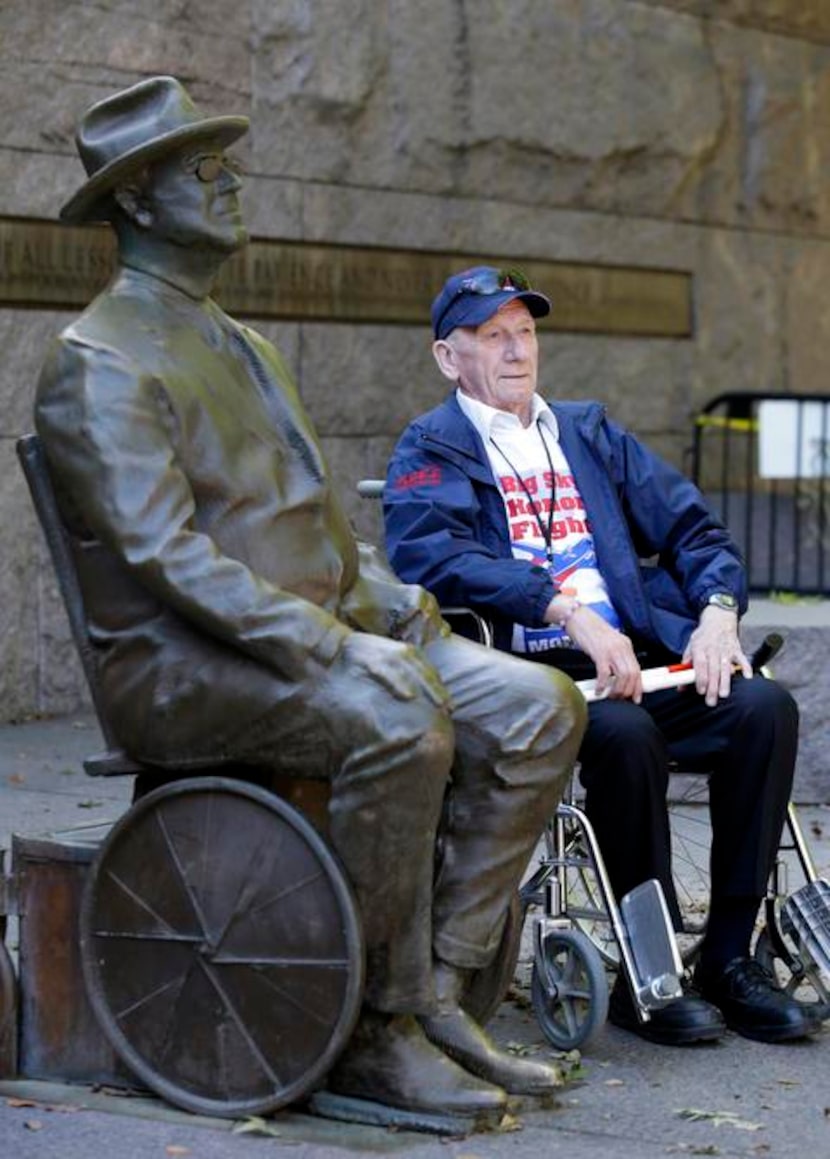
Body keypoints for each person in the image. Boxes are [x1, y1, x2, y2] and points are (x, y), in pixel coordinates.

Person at [34, 80, 587, 1120]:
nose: (234, 182)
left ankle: (440, 992)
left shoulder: (246, 345)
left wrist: (397, 613)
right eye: (207, 170)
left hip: (304, 638)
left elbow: (324, 531)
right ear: (141, 202)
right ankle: (374, 1030)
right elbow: (165, 558)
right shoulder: (96, 360)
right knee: (397, 714)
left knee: (535, 708)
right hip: (180, 664)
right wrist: (336, 651)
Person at [384, 265, 821, 1046]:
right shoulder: (432, 446)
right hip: (529, 678)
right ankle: (646, 976)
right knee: (624, 735)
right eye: (493, 336)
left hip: (639, 659)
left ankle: (727, 958)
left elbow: (694, 530)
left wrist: (718, 614)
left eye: (525, 332)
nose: (517, 350)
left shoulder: (587, 431)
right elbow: (432, 558)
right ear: (449, 358)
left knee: (762, 708)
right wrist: (562, 608)